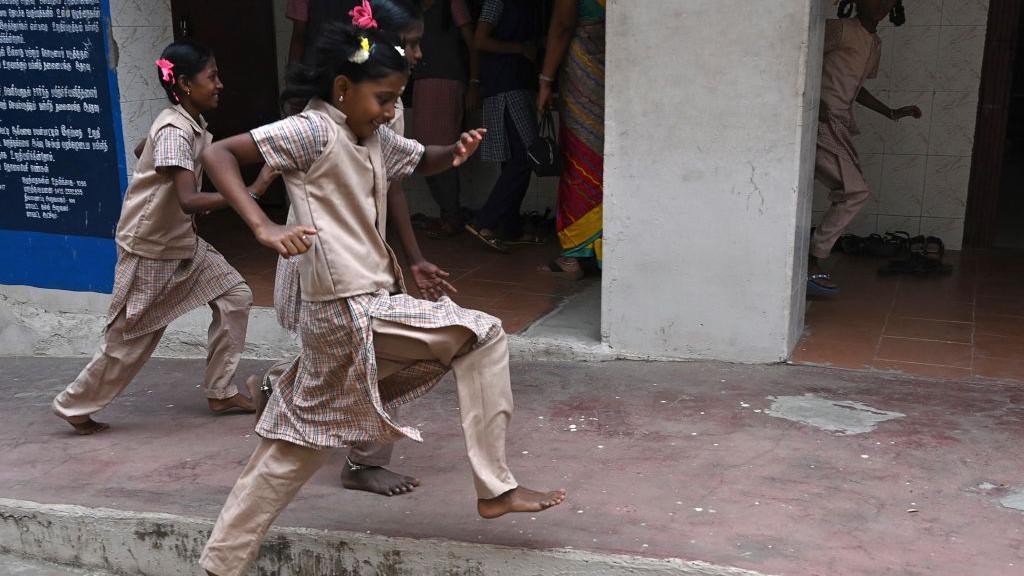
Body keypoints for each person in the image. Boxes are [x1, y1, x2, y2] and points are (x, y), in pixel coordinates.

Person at [198, 24, 565, 576]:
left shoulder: (372, 135)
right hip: (345, 308)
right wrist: (262, 226)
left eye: (399, 98)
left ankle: (219, 564)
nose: (393, 110)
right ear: (342, 87)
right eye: (385, 99)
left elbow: (420, 159)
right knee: (482, 333)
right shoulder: (311, 131)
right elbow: (221, 155)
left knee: (296, 447)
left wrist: (456, 151)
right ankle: (495, 488)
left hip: (357, 305)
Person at [51, 41, 279, 435]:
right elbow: (189, 199)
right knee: (131, 338)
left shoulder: (184, 125)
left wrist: (152, 154)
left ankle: (220, 391)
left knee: (235, 296)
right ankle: (75, 405)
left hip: (182, 244)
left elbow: (147, 147)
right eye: (213, 77)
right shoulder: (176, 130)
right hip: (152, 249)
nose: (220, 84)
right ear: (187, 85)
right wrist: (252, 192)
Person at [276, 0, 455, 498]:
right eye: (411, 43)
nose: (418, 54)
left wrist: (413, 257)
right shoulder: (333, 115)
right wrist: (257, 220)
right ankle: (342, 448)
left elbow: (390, 179)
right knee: (354, 356)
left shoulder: (384, 99)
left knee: (361, 355)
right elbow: (243, 153)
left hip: (362, 256)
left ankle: (347, 446)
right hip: (324, 253)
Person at [808, 0, 920, 295]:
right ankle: (812, 261)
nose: (881, 4)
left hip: (839, 125)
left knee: (852, 191)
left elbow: (856, 88)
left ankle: (811, 257)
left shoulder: (874, 43)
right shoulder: (840, 29)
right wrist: (811, 97)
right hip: (818, 122)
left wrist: (891, 112)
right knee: (855, 191)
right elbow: (801, 56)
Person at [464, 0, 542, 252]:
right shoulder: (496, 2)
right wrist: (519, 48)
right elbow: (480, 40)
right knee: (524, 158)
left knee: (513, 160)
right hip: (505, 86)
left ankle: (510, 228)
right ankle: (485, 221)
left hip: (518, 83)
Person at [536, 0, 604, 280]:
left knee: (579, 157)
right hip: (618, 66)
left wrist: (545, 80)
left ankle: (576, 254)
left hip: (584, 67)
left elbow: (562, 25)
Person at [413, 0, 479, 237]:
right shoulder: (416, 9)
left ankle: (452, 217)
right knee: (421, 152)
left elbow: (473, 44)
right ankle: (448, 213)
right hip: (422, 83)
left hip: (448, 83)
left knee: (444, 150)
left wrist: (474, 82)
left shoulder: (453, 4)